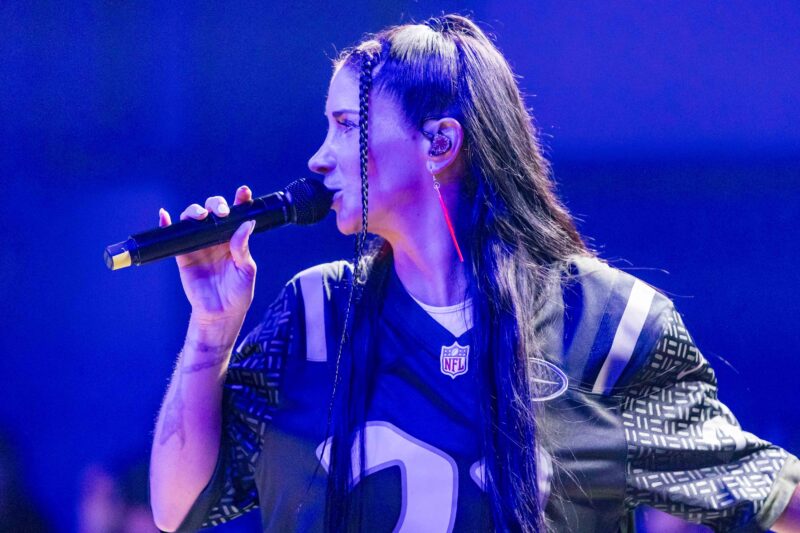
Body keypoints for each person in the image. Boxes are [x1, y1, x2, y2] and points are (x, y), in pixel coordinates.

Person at [148, 14, 800, 532]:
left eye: (346, 125)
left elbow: (764, 489)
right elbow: (178, 507)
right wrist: (211, 328)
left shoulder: (606, 327)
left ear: (440, 143)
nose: (319, 158)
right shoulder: (313, 317)